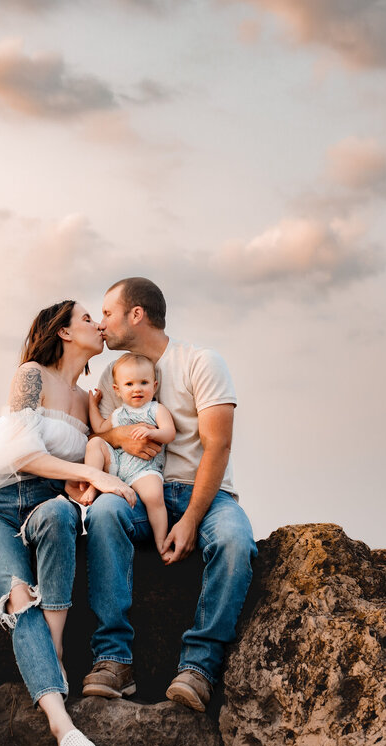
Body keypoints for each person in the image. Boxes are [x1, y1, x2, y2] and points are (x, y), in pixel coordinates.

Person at [0, 300, 137, 746]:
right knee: (17, 594)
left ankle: (51, 650)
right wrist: (94, 478)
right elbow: (23, 451)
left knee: (59, 512)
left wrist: (92, 478)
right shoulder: (31, 375)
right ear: (65, 332)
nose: (99, 324)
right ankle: (62, 724)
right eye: (88, 319)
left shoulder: (87, 399)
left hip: (44, 507)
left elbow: (97, 450)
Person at [79, 277, 257, 711]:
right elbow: (102, 432)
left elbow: (219, 445)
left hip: (206, 495)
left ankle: (199, 667)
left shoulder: (201, 361)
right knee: (103, 514)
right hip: (139, 488)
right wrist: (123, 437)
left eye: (107, 313)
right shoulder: (112, 373)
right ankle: (114, 660)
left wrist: (192, 518)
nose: (101, 324)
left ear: (135, 314)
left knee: (236, 543)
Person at [82, 352, 177, 556]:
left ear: (155, 385)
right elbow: (98, 428)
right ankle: (94, 484)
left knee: (154, 496)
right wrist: (93, 404)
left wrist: (153, 432)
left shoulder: (156, 410)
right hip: (117, 466)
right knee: (96, 443)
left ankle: (162, 543)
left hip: (144, 468)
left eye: (144, 383)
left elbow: (169, 433)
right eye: (129, 384)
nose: (137, 389)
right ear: (117, 390)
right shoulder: (118, 415)